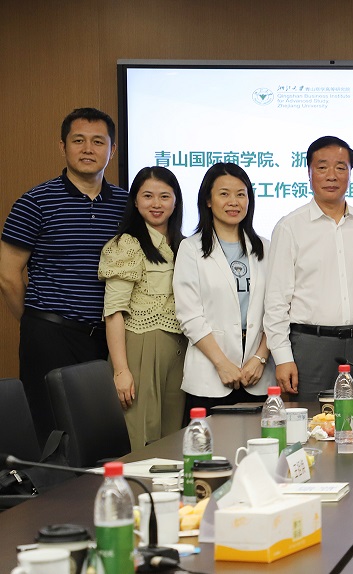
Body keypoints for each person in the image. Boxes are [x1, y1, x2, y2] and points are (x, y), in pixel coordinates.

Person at [0, 108, 129, 443]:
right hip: (50, 335)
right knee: (54, 435)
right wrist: (34, 321)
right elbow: (8, 274)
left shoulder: (126, 205)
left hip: (107, 340)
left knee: (102, 434)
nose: (88, 149)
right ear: (63, 147)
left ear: (112, 150)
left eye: (98, 142)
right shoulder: (35, 202)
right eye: (78, 140)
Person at [264, 136, 353, 403]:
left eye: (341, 167)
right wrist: (282, 358)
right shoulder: (290, 227)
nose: (332, 175)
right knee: (310, 422)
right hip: (310, 347)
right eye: (322, 167)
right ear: (309, 172)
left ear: (350, 173)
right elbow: (276, 301)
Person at [174, 163, 274, 414]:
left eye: (241, 194)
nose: (234, 202)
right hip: (210, 374)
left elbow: (277, 310)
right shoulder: (191, 248)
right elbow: (189, 315)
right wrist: (222, 363)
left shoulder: (266, 247)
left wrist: (260, 358)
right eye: (224, 194)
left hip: (257, 373)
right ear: (208, 200)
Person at [98, 167, 186, 451]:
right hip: (140, 348)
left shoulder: (184, 246)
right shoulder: (126, 244)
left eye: (164, 196)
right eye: (147, 196)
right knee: (142, 439)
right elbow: (114, 312)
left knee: (172, 439)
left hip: (179, 351)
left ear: (176, 201)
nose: (156, 203)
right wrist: (121, 370)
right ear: (135, 201)